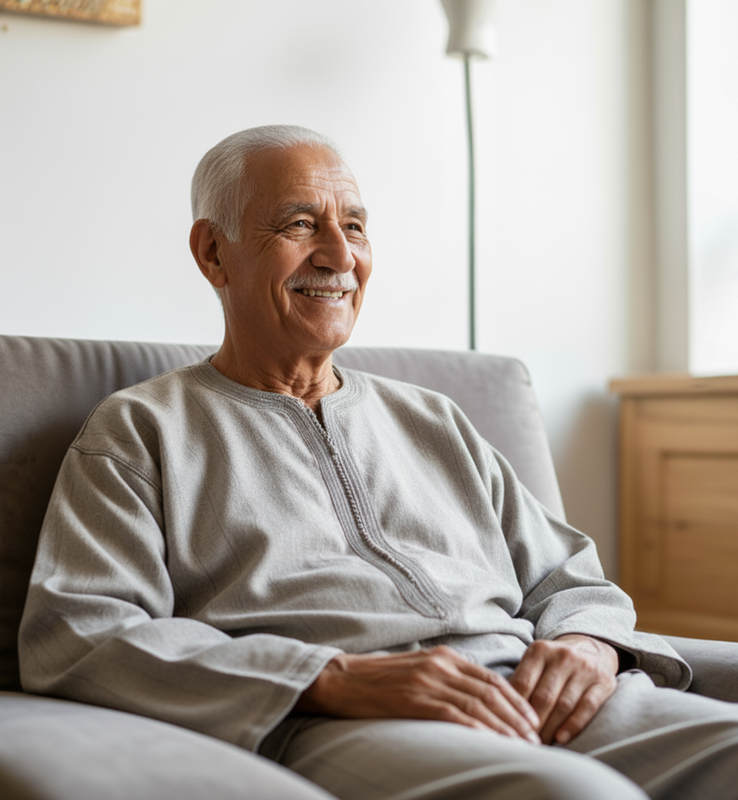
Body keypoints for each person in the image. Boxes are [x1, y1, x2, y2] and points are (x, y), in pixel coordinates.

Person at [19, 125, 738, 800]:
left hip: (539, 689)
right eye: (301, 224)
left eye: (355, 226)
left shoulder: (432, 419)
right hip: (345, 719)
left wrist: (586, 642)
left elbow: (568, 577)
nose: (339, 255)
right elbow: (79, 635)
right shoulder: (143, 430)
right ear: (213, 253)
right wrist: (330, 676)